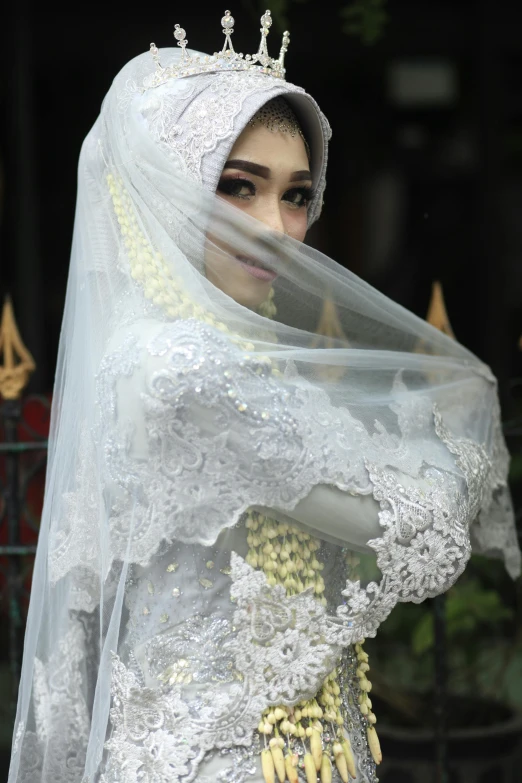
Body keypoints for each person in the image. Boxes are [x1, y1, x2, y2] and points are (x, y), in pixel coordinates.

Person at [8, 10, 520, 783]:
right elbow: (401, 524)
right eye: (237, 187)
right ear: (168, 192)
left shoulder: (236, 353)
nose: (274, 228)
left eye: (295, 195)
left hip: (302, 749)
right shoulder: (178, 366)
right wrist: (456, 441)